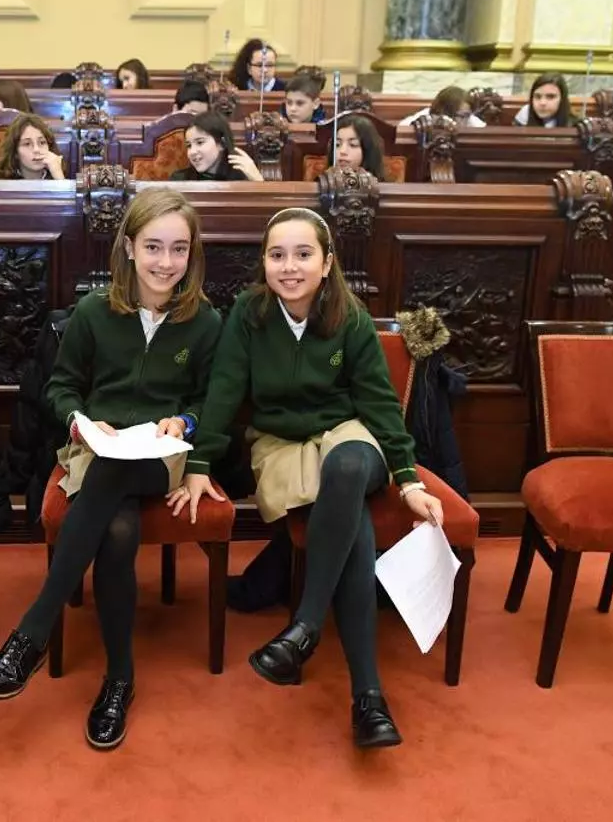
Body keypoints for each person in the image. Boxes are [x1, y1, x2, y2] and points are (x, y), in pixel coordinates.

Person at [173, 207, 444, 749]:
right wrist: (199, 465)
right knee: (352, 520)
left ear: (327, 262)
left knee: (346, 468)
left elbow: (379, 403)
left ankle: (305, 627)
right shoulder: (249, 314)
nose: (289, 267)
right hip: (281, 444)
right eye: (277, 255)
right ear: (264, 263)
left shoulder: (351, 316)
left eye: (303, 255)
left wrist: (408, 479)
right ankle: (368, 698)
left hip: (348, 437)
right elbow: (223, 392)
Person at [0, 187, 222, 751]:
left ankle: (34, 631)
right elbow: (60, 387)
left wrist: (184, 421)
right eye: (153, 246)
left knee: (112, 481)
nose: (165, 262)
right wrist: (81, 421)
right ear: (129, 247)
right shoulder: (92, 311)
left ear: (192, 253)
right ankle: (119, 680)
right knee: (117, 528)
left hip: (163, 455)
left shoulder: (206, 321)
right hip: (96, 447)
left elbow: (214, 398)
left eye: (178, 249)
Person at [170, 111, 263, 181]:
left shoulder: (243, 178)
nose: (192, 152)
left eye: (200, 142)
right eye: (189, 145)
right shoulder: (179, 180)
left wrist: (258, 181)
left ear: (222, 143)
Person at [0, 113, 66, 179]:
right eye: (27, 144)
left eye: (42, 142)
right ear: (15, 152)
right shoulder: (0, 184)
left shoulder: (59, 176)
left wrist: (59, 177)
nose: (36, 149)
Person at [328, 114, 386, 180]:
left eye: (353, 144)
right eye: (337, 144)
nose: (342, 151)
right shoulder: (322, 182)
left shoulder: (382, 185)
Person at [400, 85, 486, 127]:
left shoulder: (469, 119)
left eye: (467, 115)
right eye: (462, 116)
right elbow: (402, 128)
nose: (464, 121)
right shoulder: (424, 119)